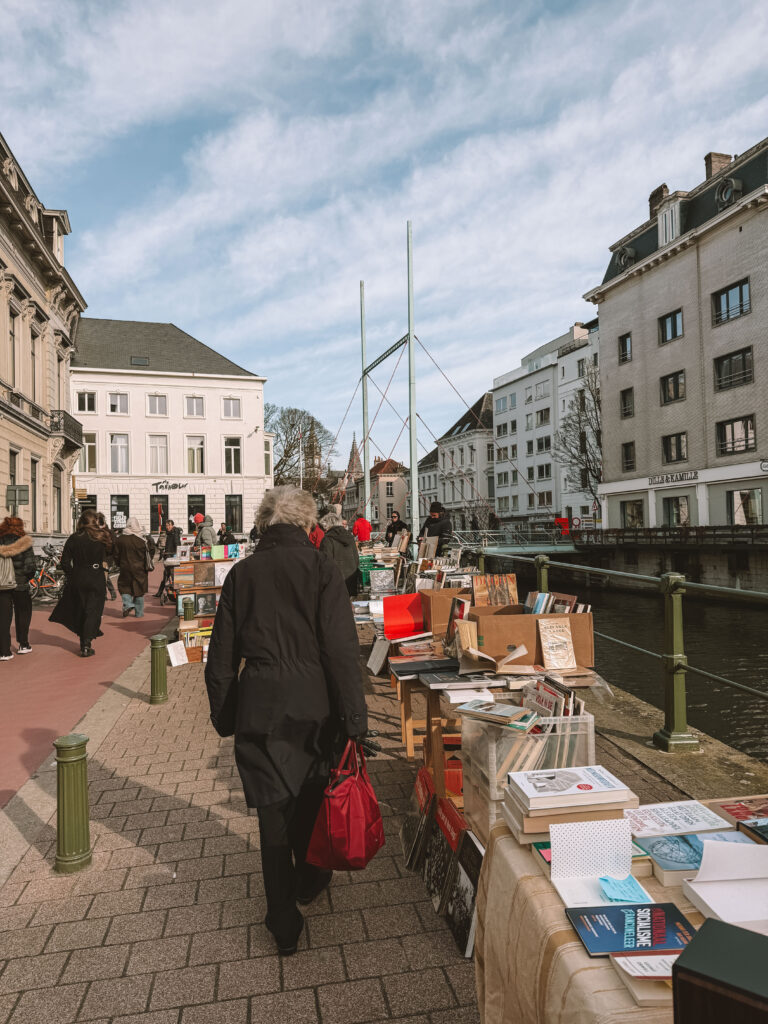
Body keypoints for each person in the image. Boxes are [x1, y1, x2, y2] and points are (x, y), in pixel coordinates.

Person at [204, 486, 368, 956]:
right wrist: (354, 718)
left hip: (261, 700)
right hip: (314, 703)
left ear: (263, 524)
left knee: (271, 811)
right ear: (307, 524)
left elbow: (220, 658)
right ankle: (311, 877)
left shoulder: (242, 573)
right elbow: (340, 651)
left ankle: (282, 919)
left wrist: (227, 713)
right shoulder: (322, 569)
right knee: (314, 794)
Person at [49, 510, 112, 657]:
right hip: (96, 576)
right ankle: (86, 643)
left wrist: (72, 574)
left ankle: (84, 641)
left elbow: (64, 561)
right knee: (93, 610)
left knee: (81, 609)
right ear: (95, 521)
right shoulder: (101, 536)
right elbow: (111, 553)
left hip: (78, 577)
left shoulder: (74, 537)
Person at [0, 517, 37, 659]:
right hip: (20, 584)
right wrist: (25, 579)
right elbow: (30, 567)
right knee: (23, 613)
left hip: (2, 585)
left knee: (3, 617)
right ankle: (23, 644)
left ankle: (4, 651)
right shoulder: (24, 543)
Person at [115, 518, 155, 618]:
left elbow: (116, 554)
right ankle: (139, 613)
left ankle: (128, 604)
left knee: (125, 587)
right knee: (139, 590)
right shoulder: (142, 539)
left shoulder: (120, 539)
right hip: (140, 568)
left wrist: (119, 563)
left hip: (125, 567)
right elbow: (151, 551)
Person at [319, 511, 359, 596]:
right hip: (350, 581)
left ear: (327, 525)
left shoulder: (327, 540)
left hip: (335, 585)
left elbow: (325, 564)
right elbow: (356, 559)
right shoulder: (349, 537)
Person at [154, 520, 181, 600]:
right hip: (168, 557)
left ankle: (175, 593)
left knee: (170, 575)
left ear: (172, 525)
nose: (167, 527)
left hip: (172, 558)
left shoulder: (174, 533)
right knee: (166, 575)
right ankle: (160, 592)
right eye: (166, 525)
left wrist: (175, 555)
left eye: (169, 525)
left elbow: (177, 545)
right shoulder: (168, 534)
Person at [96, 512, 118, 600]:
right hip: (101, 556)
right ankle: (108, 593)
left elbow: (114, 545)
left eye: (96, 520)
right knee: (104, 575)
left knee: (104, 575)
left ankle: (109, 593)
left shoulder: (107, 532)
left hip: (106, 557)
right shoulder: (99, 531)